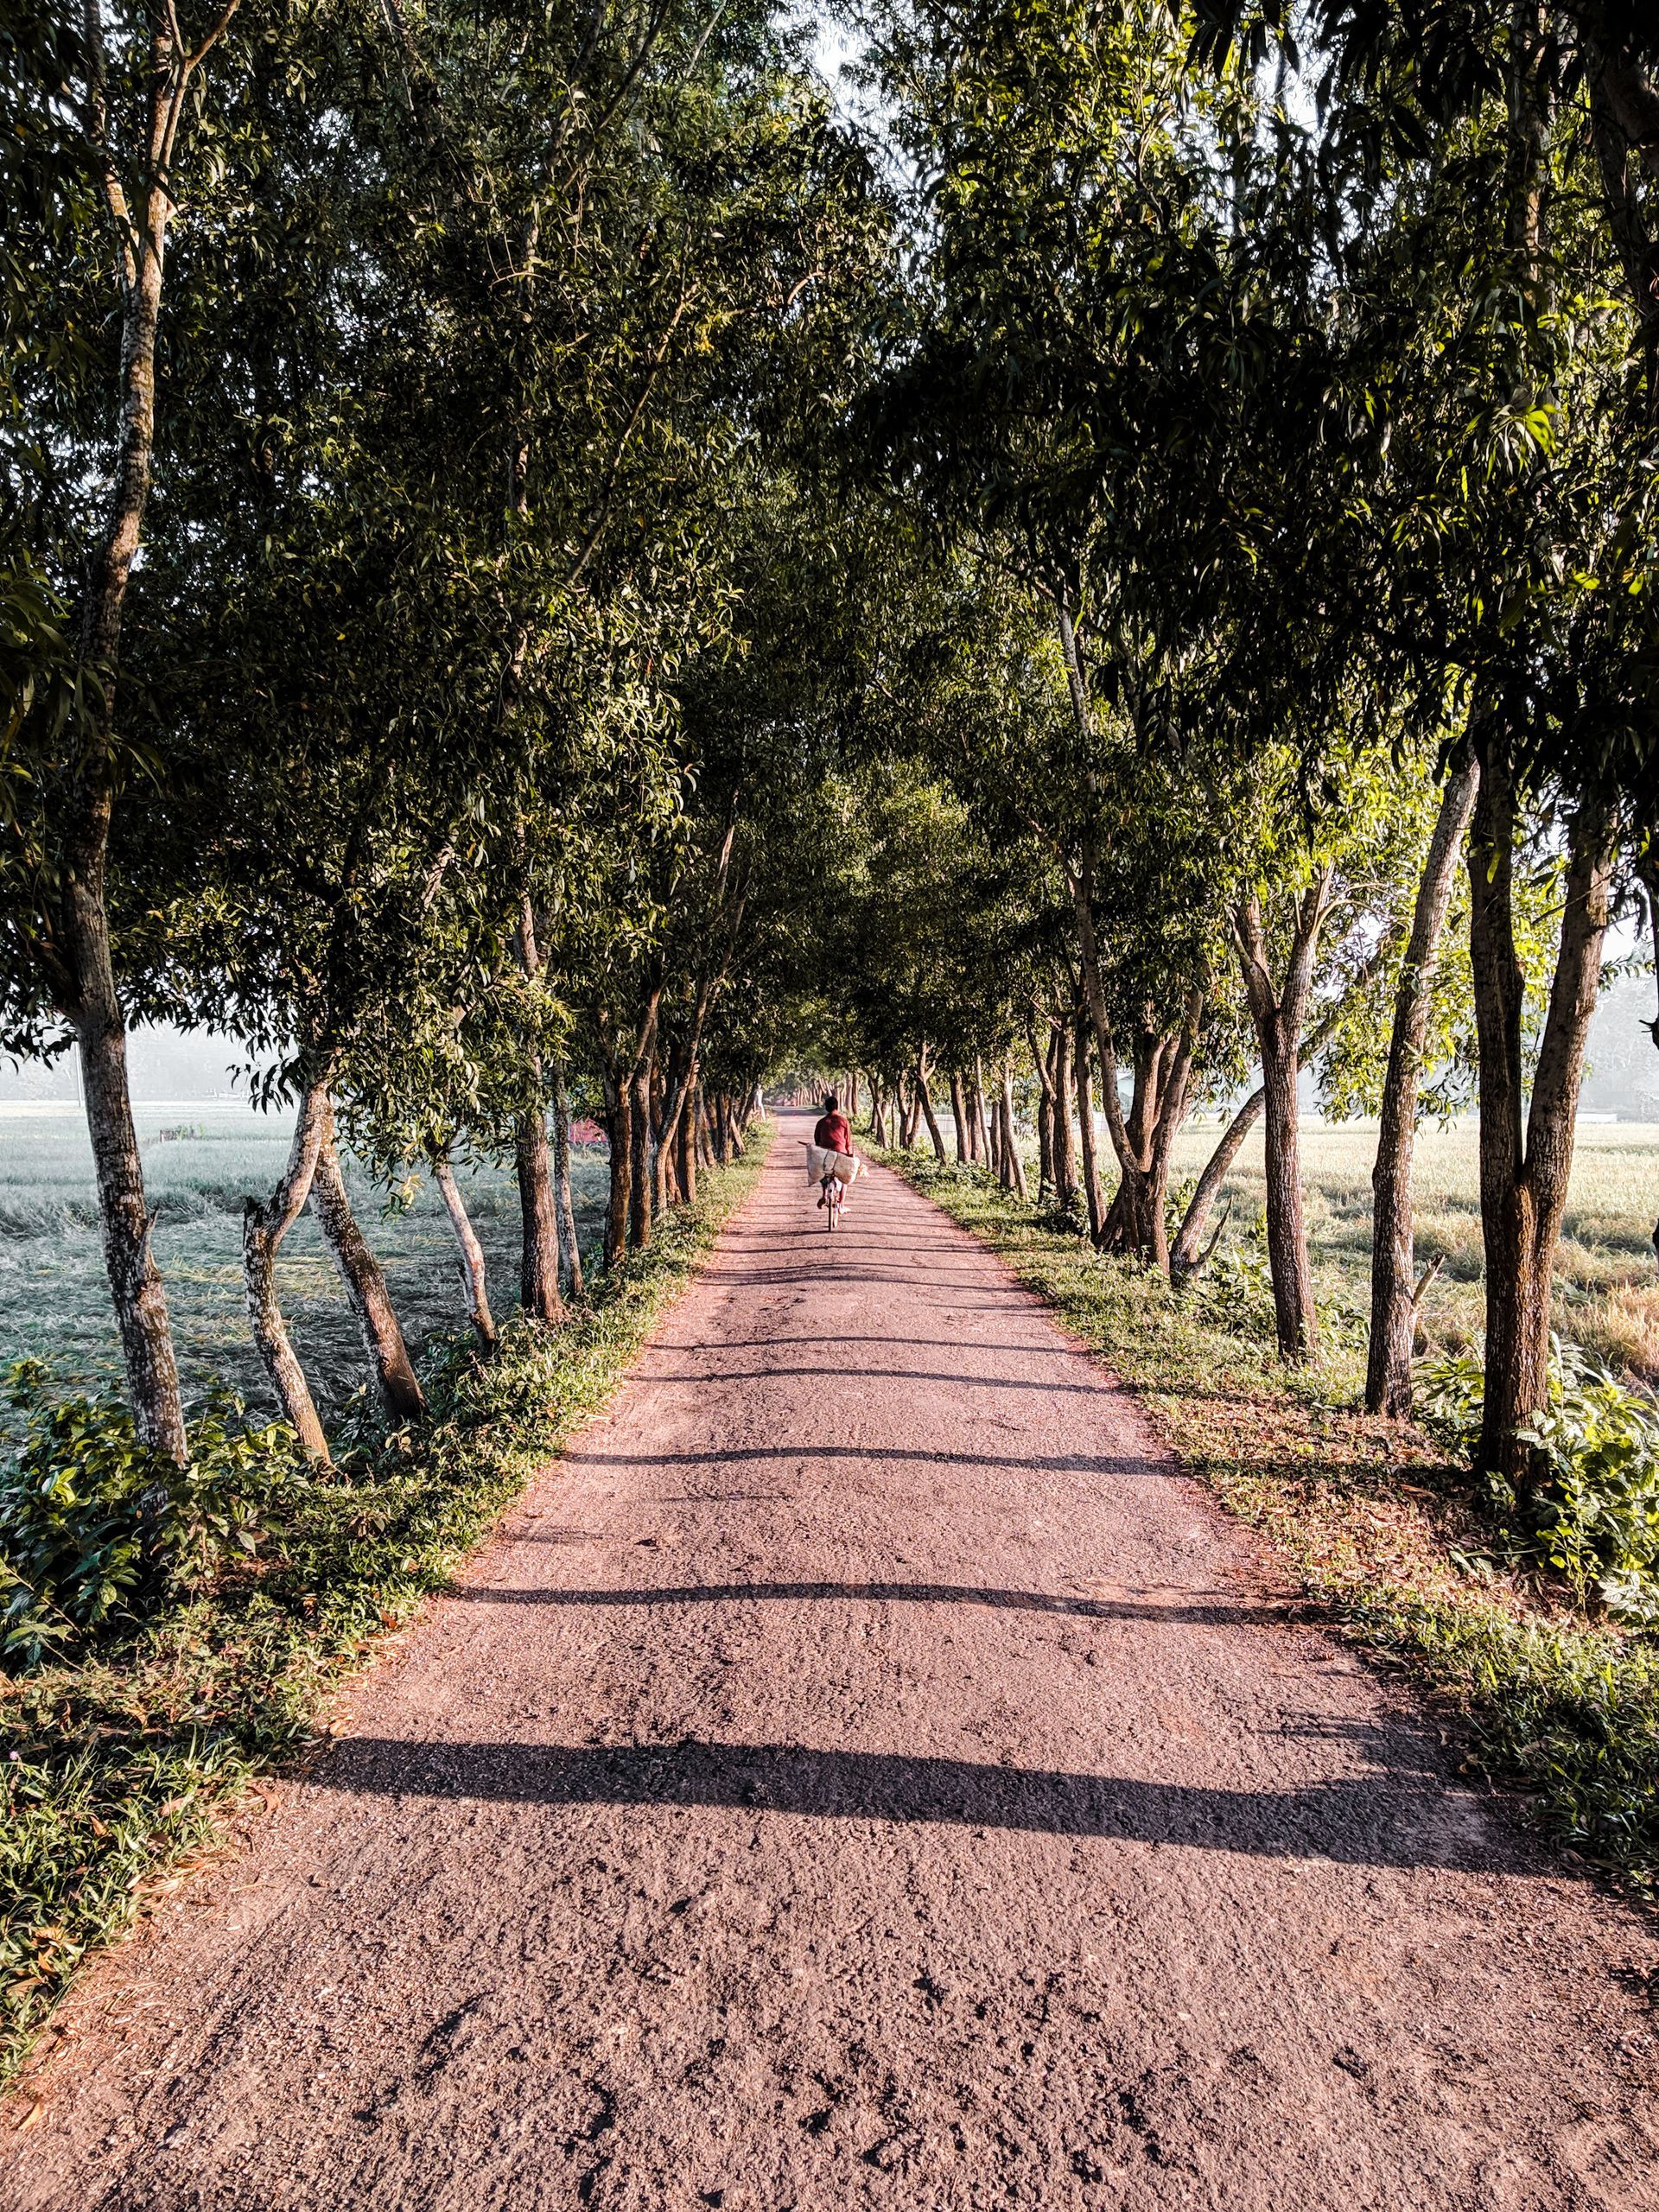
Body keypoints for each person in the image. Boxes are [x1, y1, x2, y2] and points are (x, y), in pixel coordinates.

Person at [812, 1091, 854, 1210]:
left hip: (825, 1154)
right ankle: (841, 1204)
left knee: (824, 1174)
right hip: (841, 1153)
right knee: (845, 1178)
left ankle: (824, 1195)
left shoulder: (821, 1122)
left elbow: (817, 1141)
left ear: (826, 1108)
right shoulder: (844, 1122)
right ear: (837, 1107)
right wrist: (850, 1157)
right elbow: (848, 1142)